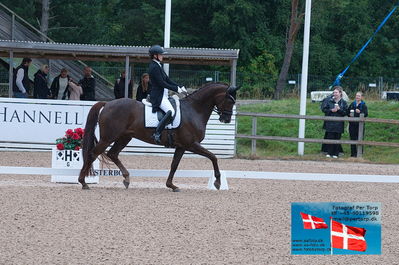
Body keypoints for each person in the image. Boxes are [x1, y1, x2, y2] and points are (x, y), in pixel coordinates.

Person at [148, 45, 187, 144]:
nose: (162, 56)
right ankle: (157, 133)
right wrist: (176, 89)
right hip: (158, 96)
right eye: (160, 54)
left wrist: (180, 86)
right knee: (170, 111)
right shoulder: (154, 67)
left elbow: (167, 80)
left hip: (164, 95)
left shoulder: (158, 65)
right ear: (155, 56)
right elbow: (162, 83)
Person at [321, 86, 348, 158]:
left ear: (340, 93)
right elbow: (324, 109)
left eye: (336, 92)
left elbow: (345, 113)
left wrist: (339, 110)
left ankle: (336, 153)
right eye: (334, 92)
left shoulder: (343, 103)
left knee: (337, 138)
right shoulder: (329, 101)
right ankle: (329, 153)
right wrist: (331, 110)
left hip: (339, 124)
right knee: (329, 138)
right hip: (330, 123)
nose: (335, 94)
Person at [347, 92, 368, 157]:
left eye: (358, 96)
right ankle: (353, 154)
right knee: (352, 139)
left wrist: (360, 112)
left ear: (361, 97)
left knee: (360, 138)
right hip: (352, 124)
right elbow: (347, 112)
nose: (357, 97)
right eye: (356, 95)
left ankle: (360, 154)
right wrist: (349, 114)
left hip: (360, 125)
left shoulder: (363, 105)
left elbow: (366, 114)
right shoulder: (352, 104)